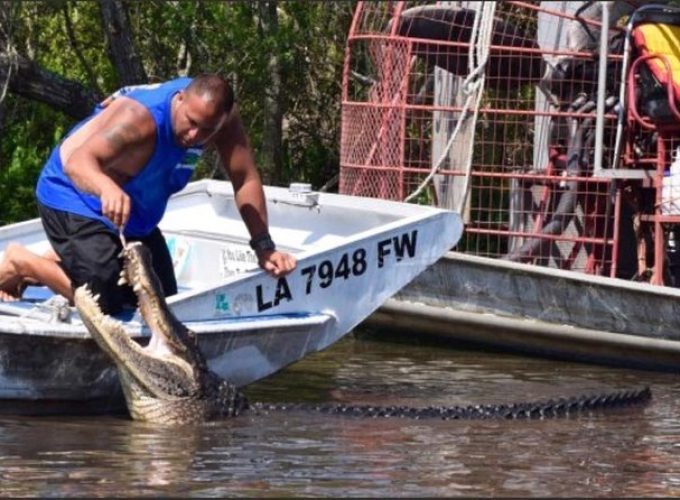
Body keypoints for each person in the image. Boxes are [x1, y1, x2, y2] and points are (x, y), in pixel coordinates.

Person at [0, 74, 297, 313]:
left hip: (132, 213)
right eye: (191, 122)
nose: (194, 136)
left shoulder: (222, 118)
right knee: (104, 300)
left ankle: (67, 258)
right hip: (72, 194)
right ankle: (21, 262)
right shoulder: (139, 119)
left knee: (160, 302)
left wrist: (264, 246)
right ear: (180, 100)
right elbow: (78, 162)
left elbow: (244, 178)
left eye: (207, 130)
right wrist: (106, 187)